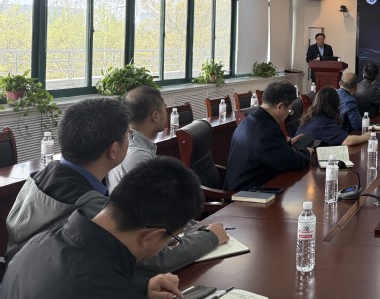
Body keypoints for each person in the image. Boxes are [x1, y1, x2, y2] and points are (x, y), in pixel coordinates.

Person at [0, 157, 203, 299]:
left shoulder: (35, 244)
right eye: (172, 240)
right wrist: (127, 294)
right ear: (151, 236)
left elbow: (72, 294)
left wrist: (140, 288)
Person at [5, 96, 226, 276]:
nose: (130, 139)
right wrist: (210, 236)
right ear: (114, 150)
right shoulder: (90, 207)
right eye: (128, 135)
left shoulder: (37, 178)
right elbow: (154, 260)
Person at [107, 86, 228, 271]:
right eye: (165, 108)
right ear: (155, 116)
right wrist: (202, 232)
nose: (168, 112)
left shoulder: (134, 146)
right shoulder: (138, 156)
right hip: (147, 249)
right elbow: (160, 211)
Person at [224, 80, 314, 191]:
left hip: (241, 185)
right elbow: (291, 162)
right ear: (280, 106)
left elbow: (265, 151)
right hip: (247, 194)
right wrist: (307, 152)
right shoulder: (267, 130)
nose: (288, 114)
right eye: (289, 110)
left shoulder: (249, 120)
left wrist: (286, 145)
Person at [297, 86, 370, 147]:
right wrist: (366, 137)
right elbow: (348, 141)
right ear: (335, 103)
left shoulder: (310, 116)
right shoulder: (324, 123)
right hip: (309, 158)